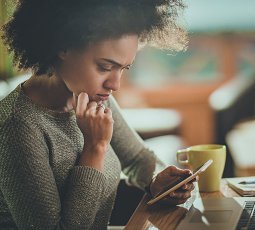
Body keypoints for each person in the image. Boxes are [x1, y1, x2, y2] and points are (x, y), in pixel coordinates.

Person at [0, 0, 195, 229]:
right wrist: (94, 148)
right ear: (62, 46)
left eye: (123, 68)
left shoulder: (93, 96)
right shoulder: (16, 126)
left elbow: (137, 159)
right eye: (104, 67)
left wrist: (159, 180)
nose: (115, 84)